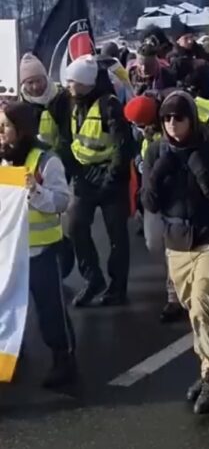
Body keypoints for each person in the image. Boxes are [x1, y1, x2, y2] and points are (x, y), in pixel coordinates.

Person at [143, 91, 209, 415]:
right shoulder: (157, 150)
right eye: (166, 118)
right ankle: (207, 367)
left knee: (203, 306)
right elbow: (150, 202)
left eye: (179, 117)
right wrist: (160, 168)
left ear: (191, 119)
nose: (172, 124)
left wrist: (201, 171)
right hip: (177, 239)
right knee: (190, 308)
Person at [0, 102, 75, 388]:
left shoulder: (45, 160)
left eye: (5, 126)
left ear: (21, 129)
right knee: (7, 307)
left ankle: (64, 358)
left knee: (50, 310)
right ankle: (11, 355)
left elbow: (61, 202)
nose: (1, 133)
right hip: (8, 251)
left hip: (42, 250)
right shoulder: (2, 159)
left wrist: (35, 190)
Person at [65, 55, 134, 307]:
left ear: (86, 83)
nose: (69, 85)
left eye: (73, 81)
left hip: (110, 178)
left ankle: (118, 288)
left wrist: (112, 179)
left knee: (116, 235)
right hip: (84, 177)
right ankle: (93, 279)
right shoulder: (73, 102)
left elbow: (123, 146)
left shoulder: (110, 105)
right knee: (75, 227)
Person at [123, 95, 185, 324]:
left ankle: (174, 296)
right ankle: (177, 281)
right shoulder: (145, 137)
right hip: (153, 198)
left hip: (176, 198)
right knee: (154, 243)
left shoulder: (174, 132)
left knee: (174, 247)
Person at [18, 53, 71, 154]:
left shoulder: (62, 97)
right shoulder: (21, 104)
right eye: (30, 82)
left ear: (45, 78)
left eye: (39, 81)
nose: (36, 86)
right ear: (23, 84)